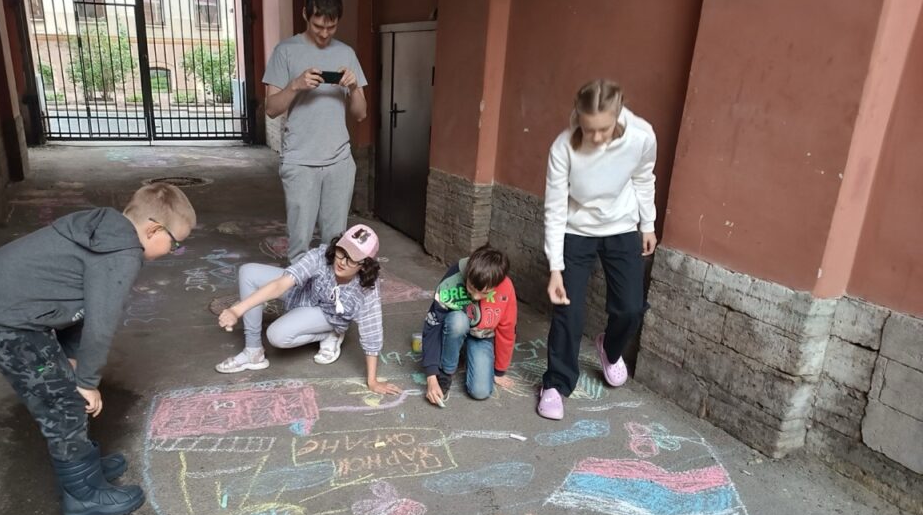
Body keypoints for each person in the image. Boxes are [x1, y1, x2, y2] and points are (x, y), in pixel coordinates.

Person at [0, 183, 196, 515]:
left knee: (64, 383)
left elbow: (79, 305)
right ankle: (83, 495)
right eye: (175, 241)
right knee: (64, 400)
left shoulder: (102, 229)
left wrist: (72, 357)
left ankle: (84, 463)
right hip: (0, 320)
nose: (173, 250)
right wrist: (86, 381)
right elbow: (100, 322)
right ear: (154, 229)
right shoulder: (121, 256)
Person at [537, 78, 657, 421]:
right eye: (589, 130)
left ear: (619, 114)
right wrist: (555, 268)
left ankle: (610, 347)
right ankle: (556, 385)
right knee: (567, 313)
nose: (597, 138)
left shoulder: (642, 136)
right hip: (576, 230)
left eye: (604, 129)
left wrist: (647, 224)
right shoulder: (563, 148)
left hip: (621, 227)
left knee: (631, 308)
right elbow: (556, 209)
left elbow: (644, 177)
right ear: (578, 116)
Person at [215, 224, 401, 397]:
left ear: (364, 265)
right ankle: (253, 351)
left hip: (329, 315)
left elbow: (372, 331)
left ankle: (329, 334)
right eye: (342, 251)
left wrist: (372, 381)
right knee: (249, 272)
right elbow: (281, 285)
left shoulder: (367, 287)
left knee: (276, 335)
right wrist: (236, 310)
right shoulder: (321, 256)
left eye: (352, 259)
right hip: (304, 294)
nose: (342, 262)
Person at [263, 0, 367, 264]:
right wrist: (296, 85)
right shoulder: (285, 51)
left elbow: (360, 114)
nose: (324, 33)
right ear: (305, 15)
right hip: (300, 161)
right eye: (318, 25)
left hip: (339, 161)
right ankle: (300, 303)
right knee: (299, 245)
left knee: (336, 245)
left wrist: (355, 86)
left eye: (331, 27)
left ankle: (328, 304)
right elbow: (271, 109)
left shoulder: (346, 53)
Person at [421, 245, 518, 406]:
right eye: (471, 288)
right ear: (468, 274)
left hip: (482, 336)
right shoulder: (452, 279)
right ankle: (446, 371)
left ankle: (463, 349)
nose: (475, 296)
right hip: (455, 326)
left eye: (484, 293)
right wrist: (431, 376)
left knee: (480, 392)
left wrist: (500, 371)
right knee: (458, 322)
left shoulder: (506, 287)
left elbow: (507, 329)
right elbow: (433, 325)